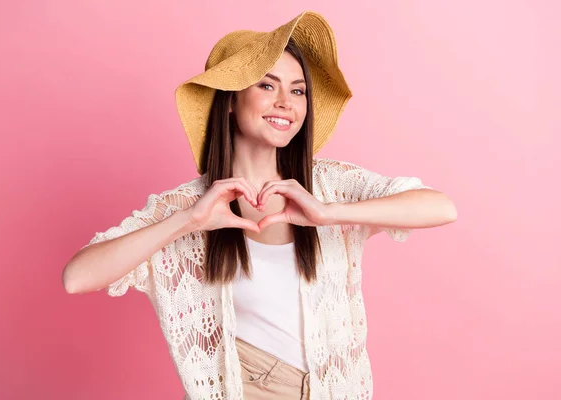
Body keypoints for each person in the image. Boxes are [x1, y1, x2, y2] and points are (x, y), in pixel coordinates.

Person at [62, 10, 457, 400]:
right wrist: (189, 221)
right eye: (267, 86)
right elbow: (77, 277)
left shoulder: (331, 185)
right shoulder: (188, 205)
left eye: (298, 90)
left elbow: (440, 208)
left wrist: (326, 213)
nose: (286, 102)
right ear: (230, 101)